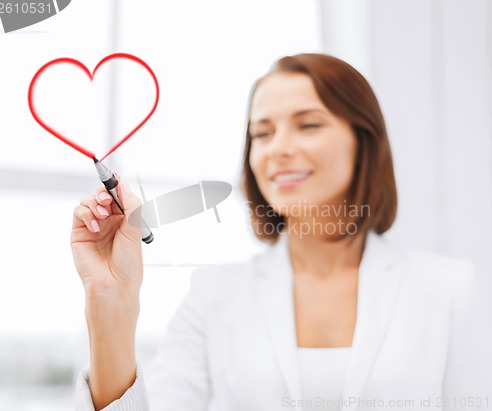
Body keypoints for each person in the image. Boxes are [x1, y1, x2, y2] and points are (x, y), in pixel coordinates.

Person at [72, 54, 492, 411]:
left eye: (308, 125)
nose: (278, 149)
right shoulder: (214, 295)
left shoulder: (450, 288)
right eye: (262, 133)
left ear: (363, 142)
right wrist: (111, 301)